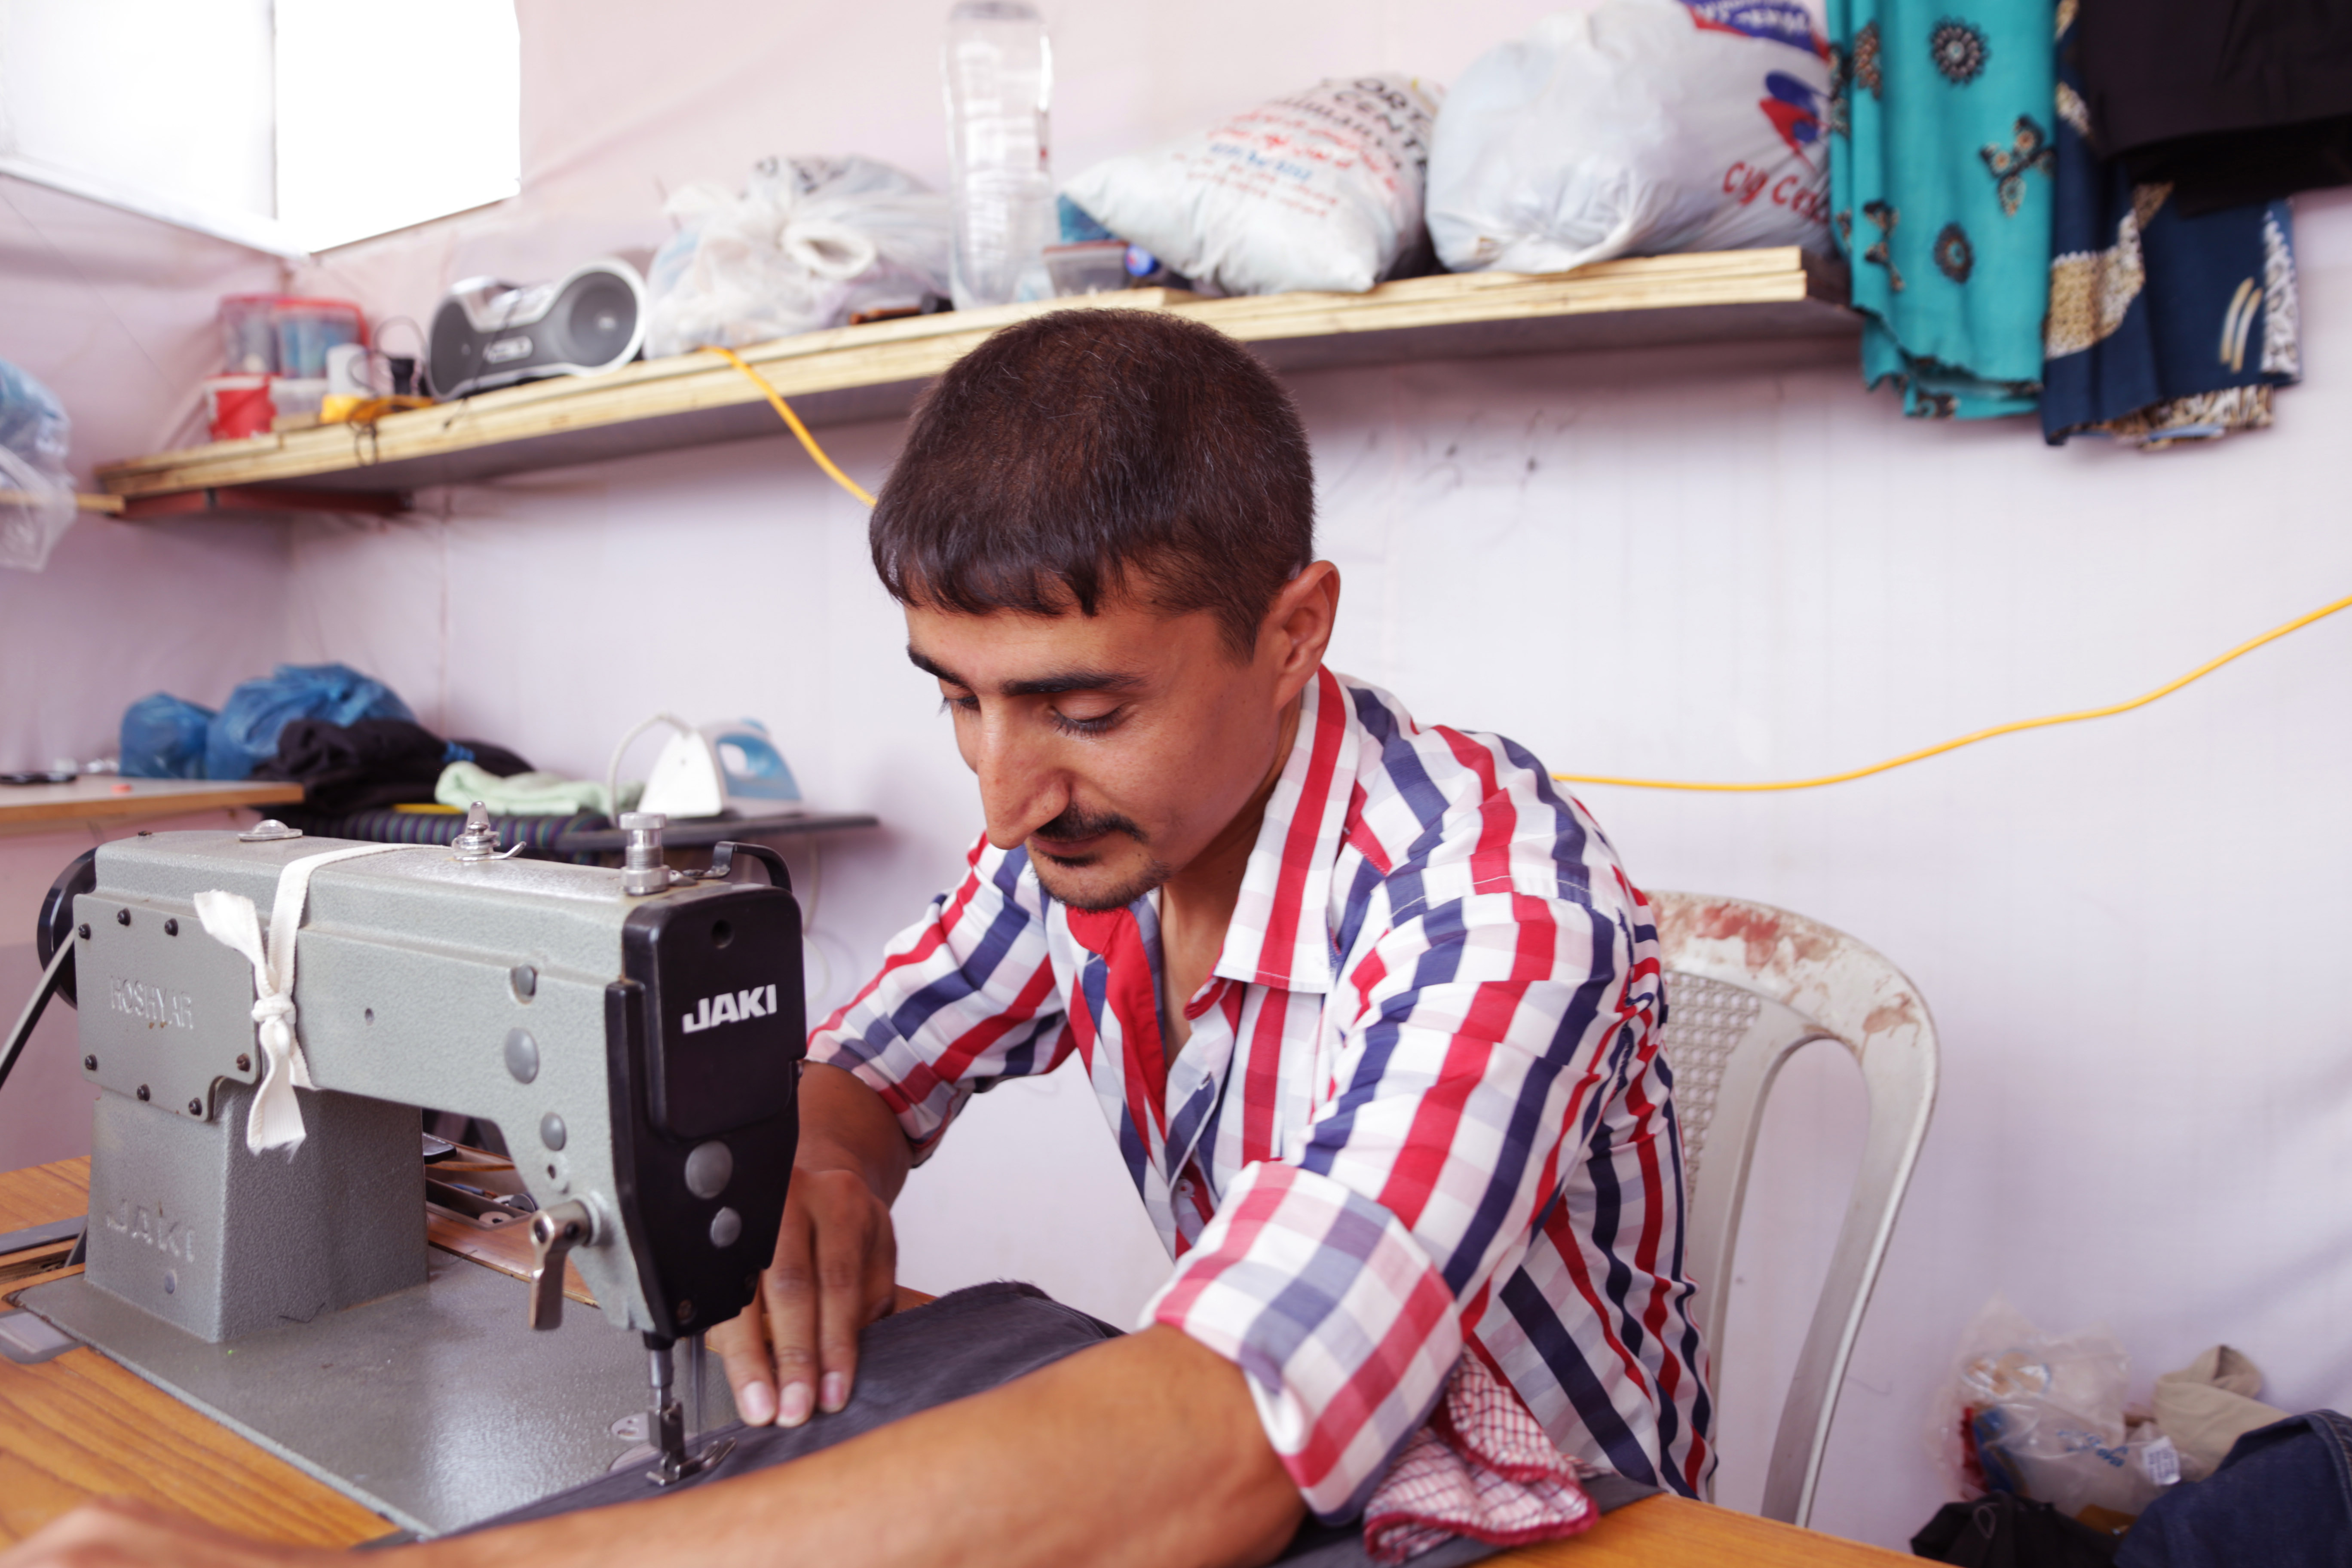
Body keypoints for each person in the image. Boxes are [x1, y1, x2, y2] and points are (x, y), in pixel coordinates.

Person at [2, 310, 1708, 1568]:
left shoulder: (1489, 903)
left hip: (1542, 1524)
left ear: (1292, 631)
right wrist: (820, 1165)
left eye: (1084, 708)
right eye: (959, 702)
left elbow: (1222, 1436)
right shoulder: (1092, 842)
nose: (1006, 795)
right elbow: (862, 1073)